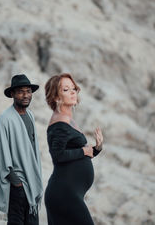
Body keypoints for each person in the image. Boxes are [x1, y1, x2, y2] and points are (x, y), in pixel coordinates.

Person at [44, 73, 103, 225]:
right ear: (56, 97)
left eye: (73, 88)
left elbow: (77, 154)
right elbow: (58, 155)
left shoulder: (68, 120)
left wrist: (96, 148)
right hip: (64, 194)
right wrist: (84, 151)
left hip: (69, 193)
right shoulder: (60, 121)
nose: (72, 92)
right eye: (66, 89)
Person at [0, 74, 43, 225]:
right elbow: (0, 154)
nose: (26, 95)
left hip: (31, 181)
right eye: (21, 92)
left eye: (28, 91)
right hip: (17, 185)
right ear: (13, 94)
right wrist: (16, 182)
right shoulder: (5, 119)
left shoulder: (30, 116)